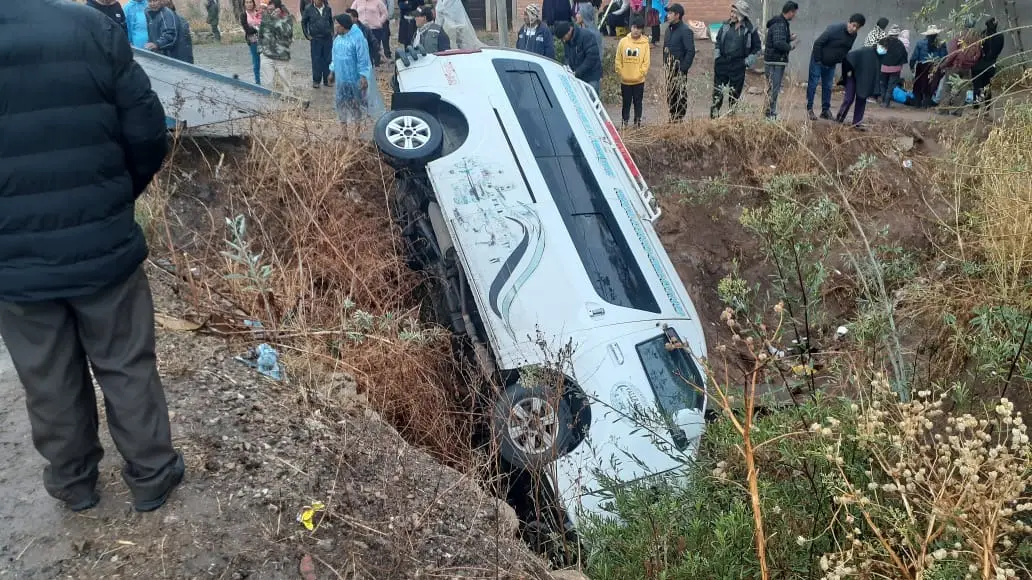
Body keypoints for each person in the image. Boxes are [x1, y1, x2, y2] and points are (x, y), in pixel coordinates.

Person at [0, 0, 183, 514]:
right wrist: (116, 198)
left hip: (14, 260)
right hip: (103, 247)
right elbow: (148, 128)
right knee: (125, 363)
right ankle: (152, 476)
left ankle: (73, 482)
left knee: (45, 373)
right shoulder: (90, 28)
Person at [807, 13, 865, 120]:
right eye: (853, 25)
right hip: (818, 61)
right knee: (813, 84)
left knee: (828, 87)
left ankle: (825, 110)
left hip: (831, 64)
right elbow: (818, 43)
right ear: (849, 22)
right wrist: (819, 60)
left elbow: (846, 49)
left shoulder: (854, 35)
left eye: (857, 27)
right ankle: (809, 109)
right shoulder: (834, 29)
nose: (854, 29)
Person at [710, 0, 761, 118]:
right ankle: (713, 121)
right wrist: (717, 57)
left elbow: (757, 48)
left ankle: (731, 120)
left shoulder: (750, 30)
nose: (732, 15)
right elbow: (718, 42)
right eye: (731, 12)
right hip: (722, 63)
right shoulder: (726, 25)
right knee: (717, 93)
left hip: (738, 65)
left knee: (734, 95)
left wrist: (746, 62)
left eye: (735, 12)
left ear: (742, 14)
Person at [329, 14, 383, 123]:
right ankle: (344, 132)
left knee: (356, 105)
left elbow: (363, 59)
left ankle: (357, 132)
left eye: (336, 24)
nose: (334, 26)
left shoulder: (358, 38)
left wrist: (363, 77)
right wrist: (332, 71)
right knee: (341, 104)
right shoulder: (337, 39)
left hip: (355, 79)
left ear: (343, 26)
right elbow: (334, 57)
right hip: (341, 79)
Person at [940, 15, 982, 115]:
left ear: (964, 24)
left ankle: (943, 109)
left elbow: (952, 54)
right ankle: (957, 111)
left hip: (955, 66)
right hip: (967, 68)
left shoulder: (959, 35)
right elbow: (979, 53)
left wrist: (944, 64)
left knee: (948, 87)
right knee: (963, 90)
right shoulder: (977, 37)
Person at [763, 1, 798, 120]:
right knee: (773, 88)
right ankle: (770, 113)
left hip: (774, 60)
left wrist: (788, 38)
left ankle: (769, 112)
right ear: (790, 12)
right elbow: (778, 43)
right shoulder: (780, 24)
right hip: (775, 61)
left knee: (772, 87)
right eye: (794, 13)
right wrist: (791, 46)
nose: (795, 15)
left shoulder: (781, 23)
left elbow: (778, 39)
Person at [835, 41, 883, 128]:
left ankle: (857, 122)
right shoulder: (866, 50)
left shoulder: (879, 56)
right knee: (849, 98)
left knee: (862, 98)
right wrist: (849, 71)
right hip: (852, 75)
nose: (884, 50)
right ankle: (839, 118)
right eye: (884, 48)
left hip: (863, 79)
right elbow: (849, 57)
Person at [663, 3, 695, 121]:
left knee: (680, 96)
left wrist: (683, 69)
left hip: (679, 71)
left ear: (677, 15)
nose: (668, 15)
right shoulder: (668, 30)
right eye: (668, 13)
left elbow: (690, 51)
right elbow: (665, 50)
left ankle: (679, 121)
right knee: (670, 96)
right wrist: (665, 66)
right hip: (669, 70)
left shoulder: (685, 31)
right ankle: (672, 119)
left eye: (670, 13)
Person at [615, 17, 650, 127]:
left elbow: (646, 62)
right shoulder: (623, 41)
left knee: (638, 103)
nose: (636, 30)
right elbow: (618, 58)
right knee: (626, 103)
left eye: (639, 28)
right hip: (625, 80)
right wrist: (620, 72)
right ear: (631, 27)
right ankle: (624, 123)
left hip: (639, 81)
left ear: (641, 30)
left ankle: (637, 123)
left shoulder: (645, 44)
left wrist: (641, 73)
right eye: (634, 27)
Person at [555, 20, 603, 94]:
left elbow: (592, 58)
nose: (563, 40)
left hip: (591, 76)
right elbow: (567, 56)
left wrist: (577, 72)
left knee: (591, 100)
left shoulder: (587, 36)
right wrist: (567, 67)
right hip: (578, 77)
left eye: (563, 38)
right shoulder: (567, 41)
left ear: (569, 31)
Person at [258, 0, 295, 93]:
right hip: (266, 55)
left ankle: (289, 104)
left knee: (287, 86)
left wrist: (276, 19)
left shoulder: (287, 18)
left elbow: (287, 34)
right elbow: (260, 35)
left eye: (272, 9)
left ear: (279, 9)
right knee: (268, 86)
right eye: (268, 9)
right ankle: (270, 105)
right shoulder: (265, 18)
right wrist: (260, 52)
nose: (270, 11)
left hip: (282, 56)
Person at [909, 25, 947, 108]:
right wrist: (942, 68)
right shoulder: (942, 43)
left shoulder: (920, 43)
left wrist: (911, 67)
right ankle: (926, 105)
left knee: (918, 86)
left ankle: (917, 105)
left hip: (922, 66)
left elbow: (914, 57)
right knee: (931, 86)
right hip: (935, 66)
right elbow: (944, 57)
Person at [972, 17, 1004, 105]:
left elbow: (976, 50)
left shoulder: (981, 35)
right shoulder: (1000, 37)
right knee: (987, 87)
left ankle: (976, 109)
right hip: (990, 66)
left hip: (978, 65)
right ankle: (986, 109)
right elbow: (998, 51)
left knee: (977, 87)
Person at [302, 0, 334, 88]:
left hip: (327, 38)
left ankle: (327, 80)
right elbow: (303, 22)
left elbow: (331, 21)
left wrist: (332, 32)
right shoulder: (308, 9)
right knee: (316, 60)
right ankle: (316, 81)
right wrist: (307, 35)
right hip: (315, 38)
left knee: (328, 59)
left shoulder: (328, 9)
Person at [878, 25, 907, 108]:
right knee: (891, 86)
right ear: (897, 34)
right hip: (896, 69)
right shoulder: (900, 44)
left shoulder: (883, 41)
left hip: (884, 68)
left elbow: (879, 53)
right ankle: (886, 103)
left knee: (883, 84)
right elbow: (904, 55)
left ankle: (883, 101)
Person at [241, 0, 263, 84]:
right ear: (244, 4)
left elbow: (265, 24)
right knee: (256, 61)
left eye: (250, 2)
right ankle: (258, 82)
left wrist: (256, 27)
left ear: (253, 3)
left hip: (264, 39)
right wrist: (257, 28)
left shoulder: (259, 12)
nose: (249, 4)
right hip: (253, 40)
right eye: (247, 2)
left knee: (266, 60)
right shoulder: (243, 15)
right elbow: (247, 29)